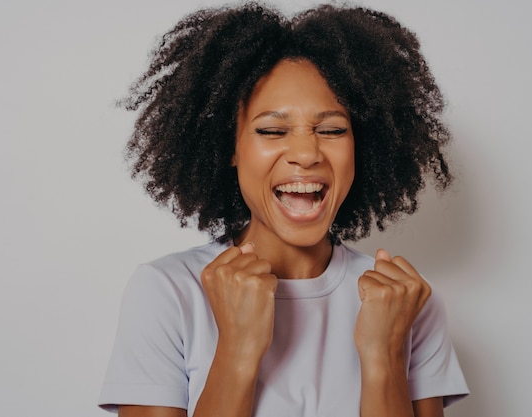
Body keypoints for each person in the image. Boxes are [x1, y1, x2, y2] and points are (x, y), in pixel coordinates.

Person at [99, 3, 469, 417]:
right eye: (273, 130)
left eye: (331, 130)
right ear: (230, 148)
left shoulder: (406, 300)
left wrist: (384, 358)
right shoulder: (169, 292)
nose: (306, 153)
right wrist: (237, 351)